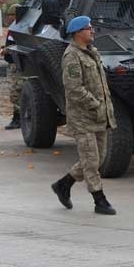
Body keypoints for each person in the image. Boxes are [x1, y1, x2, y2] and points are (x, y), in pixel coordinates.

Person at [51, 16, 117, 215]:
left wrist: (105, 108)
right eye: (89, 28)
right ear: (78, 32)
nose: (93, 31)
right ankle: (99, 200)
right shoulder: (72, 56)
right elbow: (74, 88)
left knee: (98, 159)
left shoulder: (92, 53)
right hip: (83, 118)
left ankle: (64, 184)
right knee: (91, 161)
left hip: (99, 116)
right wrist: (95, 104)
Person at [2, 4, 22, 130]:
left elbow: (19, 45)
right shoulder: (14, 28)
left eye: (11, 15)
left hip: (17, 65)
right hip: (13, 64)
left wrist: (7, 50)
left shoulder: (19, 28)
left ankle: (17, 118)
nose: (8, 17)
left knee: (16, 92)